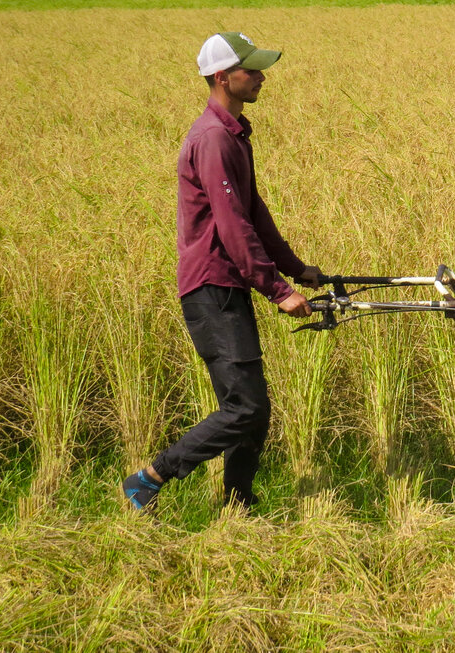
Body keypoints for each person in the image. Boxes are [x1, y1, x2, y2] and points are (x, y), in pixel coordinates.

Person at [123, 31, 320, 513]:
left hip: (226, 286)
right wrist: (278, 291)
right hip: (211, 288)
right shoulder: (213, 139)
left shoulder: (233, 134)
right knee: (245, 408)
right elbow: (232, 227)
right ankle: (148, 479)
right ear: (221, 77)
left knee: (253, 411)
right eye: (251, 69)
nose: (261, 76)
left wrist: (296, 269)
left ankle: (238, 507)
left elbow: (254, 213)